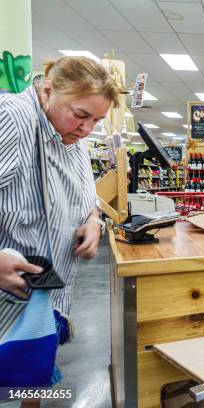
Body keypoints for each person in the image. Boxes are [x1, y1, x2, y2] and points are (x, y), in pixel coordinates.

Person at [0, 56, 120, 400]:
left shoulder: (72, 138)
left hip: (39, 292)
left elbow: (86, 198)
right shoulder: (13, 118)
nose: (86, 129)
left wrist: (93, 221)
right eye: (80, 115)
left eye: (96, 120)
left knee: (30, 378)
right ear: (47, 91)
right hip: (9, 288)